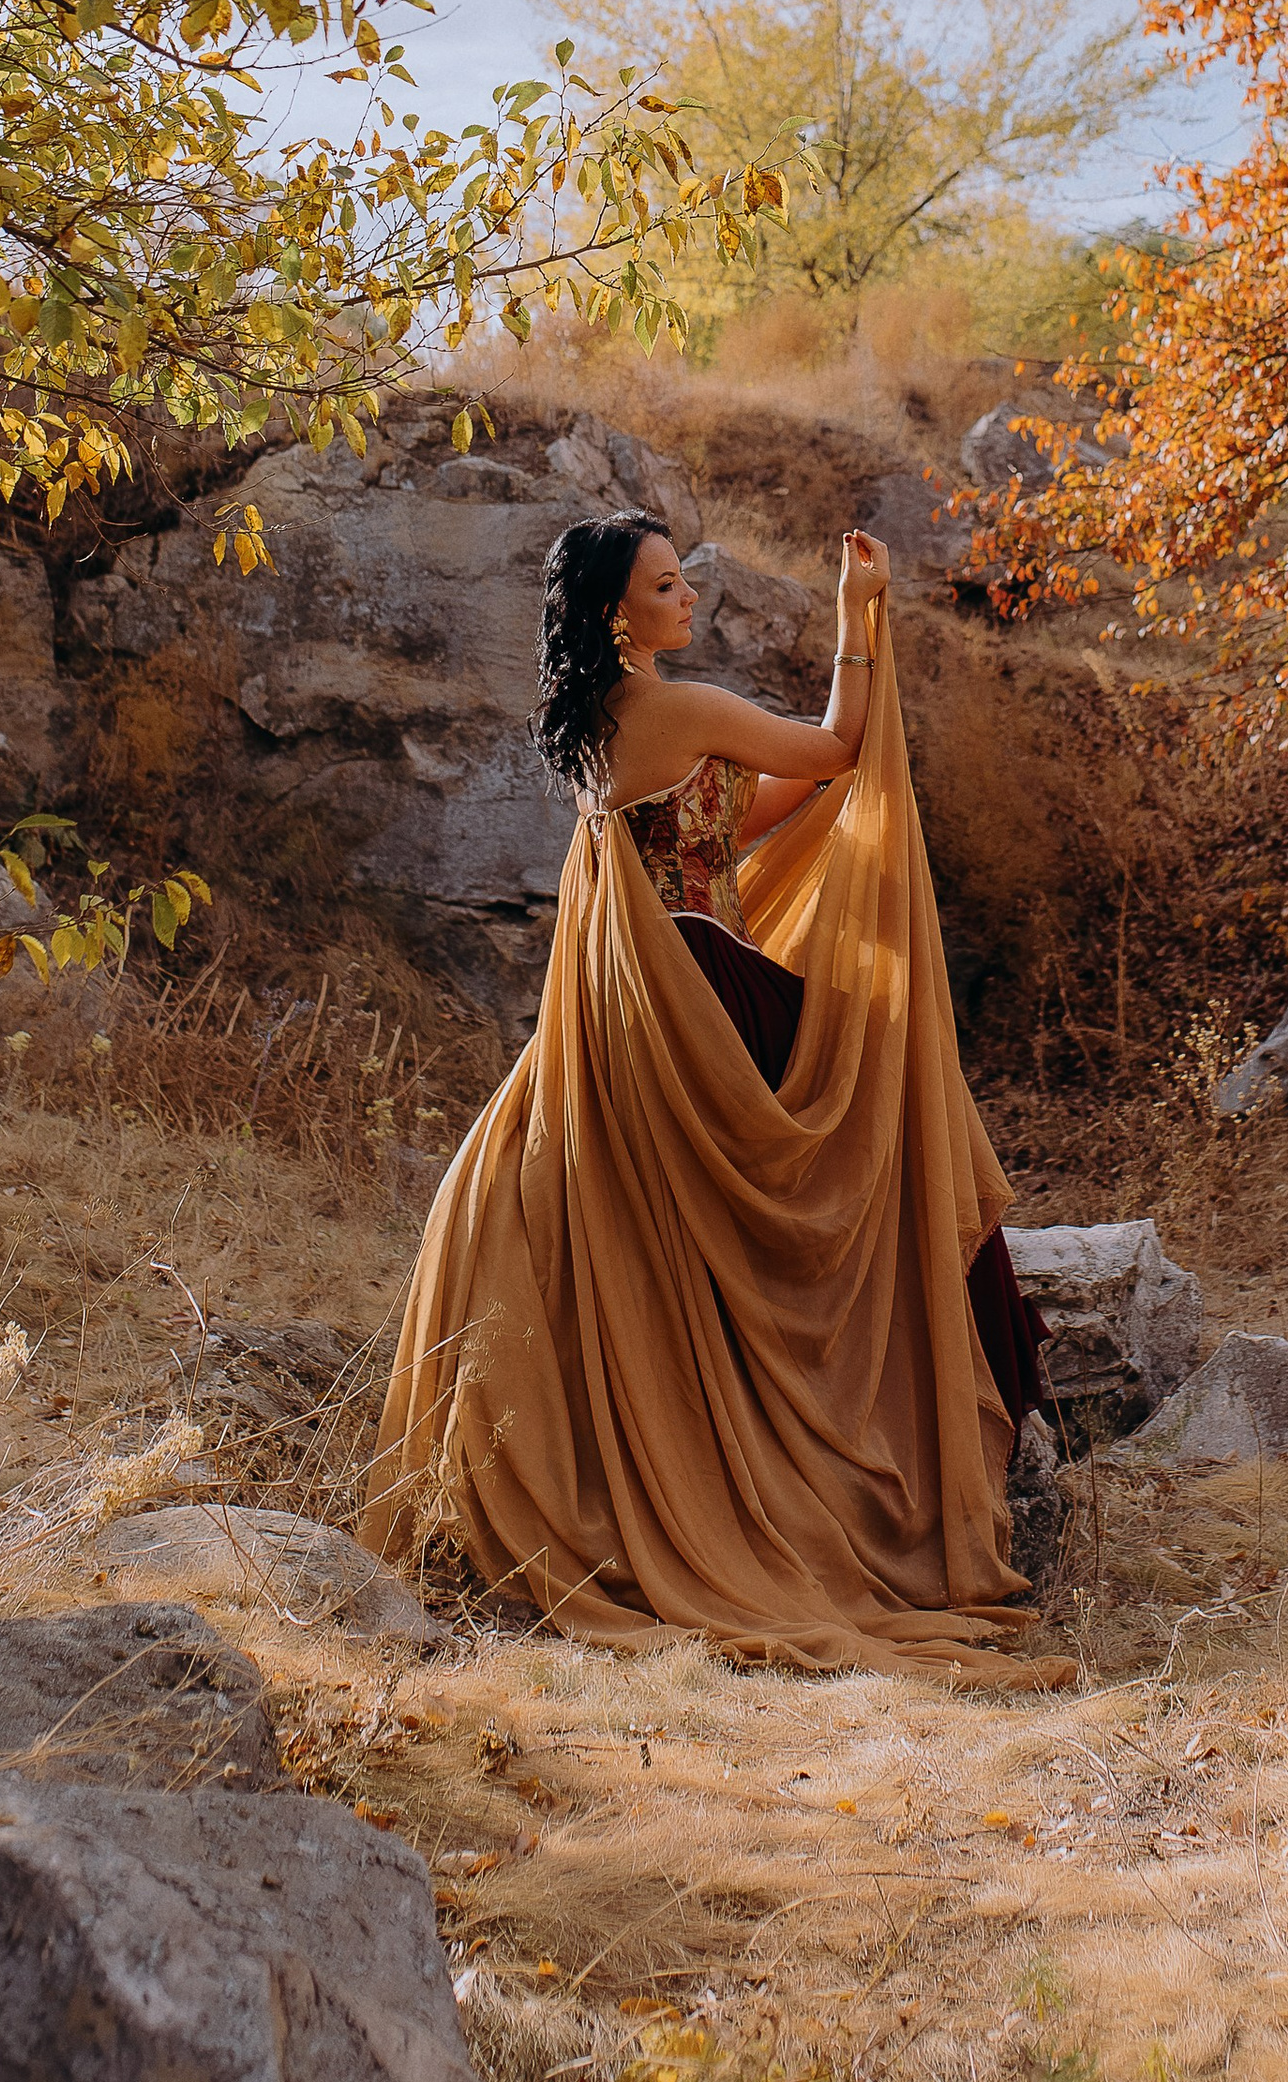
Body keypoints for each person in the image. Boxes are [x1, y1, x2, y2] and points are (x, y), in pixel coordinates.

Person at [359, 506, 1062, 1680]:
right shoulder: (676, 708)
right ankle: (882, 1463)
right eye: (665, 586)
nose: (687, 597)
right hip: (706, 994)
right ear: (612, 614)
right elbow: (835, 748)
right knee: (882, 1122)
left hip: (652, 1002)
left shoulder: (600, 728)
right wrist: (857, 617)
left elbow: (743, 823)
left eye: (683, 580)